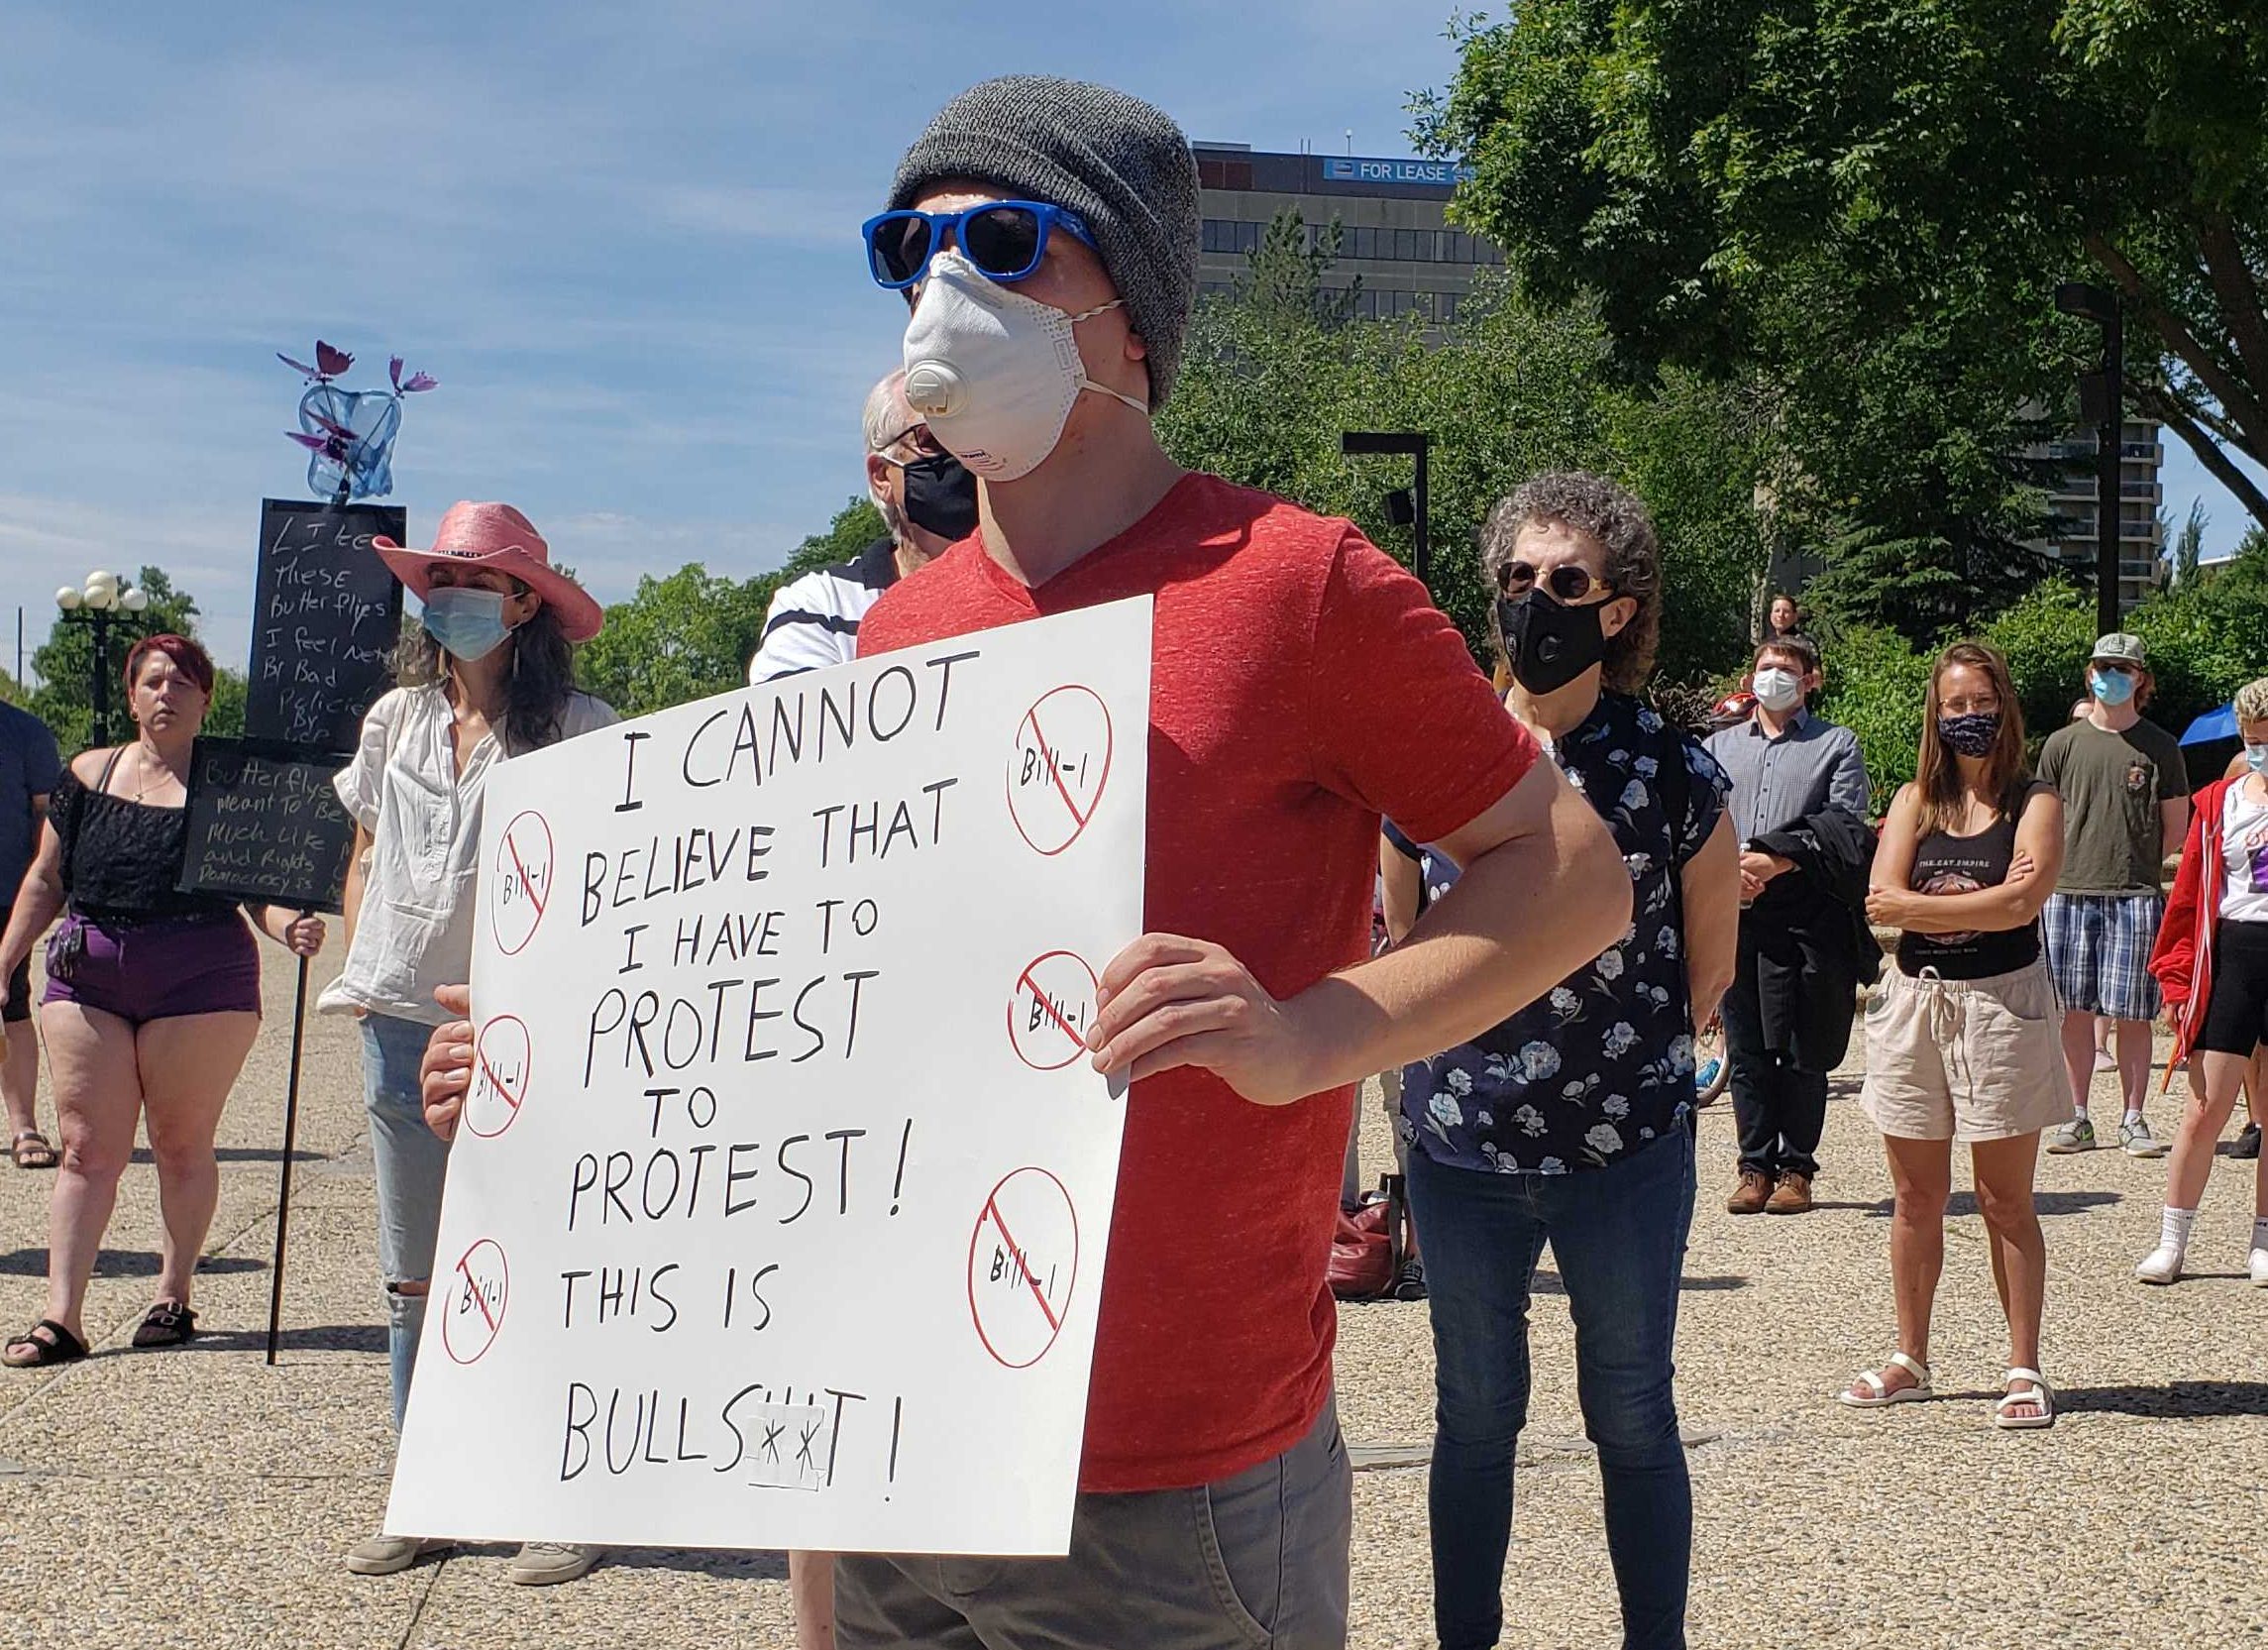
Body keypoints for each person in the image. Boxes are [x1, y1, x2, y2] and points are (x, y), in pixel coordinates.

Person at [425, 75, 1630, 1650]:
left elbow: (1569, 870)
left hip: (1170, 1470)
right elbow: (834, 994)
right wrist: (554, 1076)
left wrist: (1310, 1033)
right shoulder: (899, 627)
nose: (943, 288)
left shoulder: (1297, 581)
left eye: (1003, 240)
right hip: (891, 1425)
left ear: (1129, 314)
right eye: (903, 248)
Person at [1379, 472, 1738, 1650]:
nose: (1538, 600)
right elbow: (1401, 950)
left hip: (1624, 1153)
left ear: (1620, 608)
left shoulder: (1677, 774)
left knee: (1631, 1413)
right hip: (1460, 1148)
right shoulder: (1432, 758)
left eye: (1567, 580)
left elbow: (1705, 972)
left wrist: (1626, 1065)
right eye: (1519, 579)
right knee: (1473, 1419)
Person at [322, 503, 618, 1585]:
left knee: (544, 1260)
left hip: (532, 1033)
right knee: (417, 1277)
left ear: (524, 602)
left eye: (476, 581)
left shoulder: (579, 727)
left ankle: (562, 1497)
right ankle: (431, 1489)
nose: (451, 599)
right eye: (439, 578)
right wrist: (368, 963)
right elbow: (362, 850)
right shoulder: (394, 720)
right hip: (403, 1023)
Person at [0, 635, 325, 1367]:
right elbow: (47, 878)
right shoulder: (87, 773)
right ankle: (63, 1316)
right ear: (131, 695)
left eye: (183, 682)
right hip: (88, 976)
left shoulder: (227, 787)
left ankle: (173, 1292)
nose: (165, 693)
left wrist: (288, 926)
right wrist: (7, 956)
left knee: (180, 1144)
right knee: (85, 1147)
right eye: (151, 681)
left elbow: (257, 892)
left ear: (206, 698)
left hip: (200, 981)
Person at [1844, 642, 2069, 1428]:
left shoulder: (2034, 799)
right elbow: (1878, 899)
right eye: (1953, 704)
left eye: (1980, 701)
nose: (1967, 716)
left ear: (2004, 705)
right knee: (1914, 1196)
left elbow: (2019, 906)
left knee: (2004, 1197)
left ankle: (2023, 1365)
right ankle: (1911, 1355)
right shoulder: (1914, 799)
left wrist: (1917, 907)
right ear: (1934, 716)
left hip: (2000, 1005)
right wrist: (1949, 904)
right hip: (1916, 1003)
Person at [1706, 633, 1875, 1215]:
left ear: (1811, 679)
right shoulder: (1720, 747)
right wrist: (1734, 871)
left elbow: (1846, 828)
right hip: (1741, 915)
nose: (1772, 675)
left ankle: (1797, 1169)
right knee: (1747, 1048)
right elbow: (1700, 823)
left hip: (1809, 916)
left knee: (1805, 1050)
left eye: (1786, 667)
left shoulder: (1837, 745)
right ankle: (1754, 1166)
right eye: (1764, 665)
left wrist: (1774, 860)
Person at [2135, 677, 2268, 1286]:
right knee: (2204, 1107)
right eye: (2252, 739)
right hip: (2234, 953)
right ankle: (2172, 1238)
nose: (2259, 749)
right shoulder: (2220, 804)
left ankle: (2262, 1240)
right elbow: (2187, 899)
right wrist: (2177, 981)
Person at [2038, 633, 2189, 1157]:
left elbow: (2175, 827)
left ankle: (2133, 1116)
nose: (2113, 675)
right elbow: (2043, 818)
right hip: (2068, 890)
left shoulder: (2161, 746)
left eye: (2124, 668)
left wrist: (2138, 862)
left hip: (2134, 893)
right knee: (2073, 1011)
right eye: (2105, 666)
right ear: (2090, 674)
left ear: (2141, 678)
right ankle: (2077, 1115)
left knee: (2133, 1013)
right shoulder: (2062, 743)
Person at [747, 369, 975, 684]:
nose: (962, 453)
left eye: (973, 433)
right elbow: (795, 728)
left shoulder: (1036, 587)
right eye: (933, 438)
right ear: (882, 476)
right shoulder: (820, 607)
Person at [0, 699, 61, 1169]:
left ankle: (24, 1125)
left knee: (11, 1006)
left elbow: (46, 821)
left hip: (7, 895)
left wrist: (45, 895)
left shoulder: (26, 732)